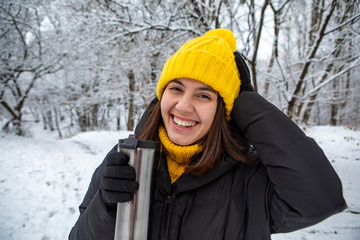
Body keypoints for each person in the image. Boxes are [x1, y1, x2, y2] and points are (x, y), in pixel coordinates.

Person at [69, 29, 346, 240]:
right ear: (160, 96)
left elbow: (320, 200)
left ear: (225, 109)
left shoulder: (250, 179)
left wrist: (249, 104)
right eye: (175, 89)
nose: (183, 106)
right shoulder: (126, 162)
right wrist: (106, 205)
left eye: (203, 95)